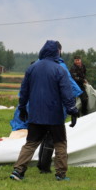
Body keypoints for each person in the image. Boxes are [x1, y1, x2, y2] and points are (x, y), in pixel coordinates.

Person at [9, 40, 79, 182]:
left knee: (30, 143)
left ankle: (18, 171)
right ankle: (61, 174)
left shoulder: (32, 69)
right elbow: (67, 93)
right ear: (57, 52)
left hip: (36, 114)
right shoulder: (60, 70)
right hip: (55, 115)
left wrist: (22, 108)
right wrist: (72, 110)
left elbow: (24, 91)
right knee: (60, 143)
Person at [37, 42, 83, 174]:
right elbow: (68, 85)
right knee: (54, 137)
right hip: (55, 106)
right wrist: (75, 102)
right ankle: (46, 166)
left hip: (39, 106)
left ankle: (41, 163)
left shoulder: (38, 65)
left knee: (43, 135)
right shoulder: (60, 66)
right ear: (58, 51)